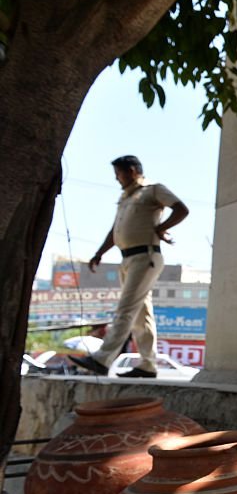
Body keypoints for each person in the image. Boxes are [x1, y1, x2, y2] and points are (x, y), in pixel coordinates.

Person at [70, 155, 189, 379]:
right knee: (141, 315)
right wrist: (99, 253)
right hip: (127, 259)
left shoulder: (153, 190)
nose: (117, 179)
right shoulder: (125, 197)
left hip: (146, 256)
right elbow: (115, 230)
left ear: (133, 170)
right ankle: (147, 365)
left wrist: (161, 228)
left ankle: (102, 359)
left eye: (120, 173)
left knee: (125, 309)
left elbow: (181, 209)